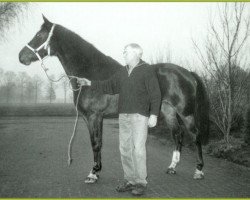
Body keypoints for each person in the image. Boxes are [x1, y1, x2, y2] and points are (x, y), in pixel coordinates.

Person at [77, 43, 161, 196]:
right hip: (124, 116)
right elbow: (109, 85)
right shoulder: (122, 72)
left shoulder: (146, 70)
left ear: (137, 54)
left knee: (139, 150)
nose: (123, 55)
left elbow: (155, 94)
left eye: (126, 52)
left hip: (139, 116)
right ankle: (130, 180)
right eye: (123, 52)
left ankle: (141, 182)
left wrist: (154, 114)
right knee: (124, 149)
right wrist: (89, 83)